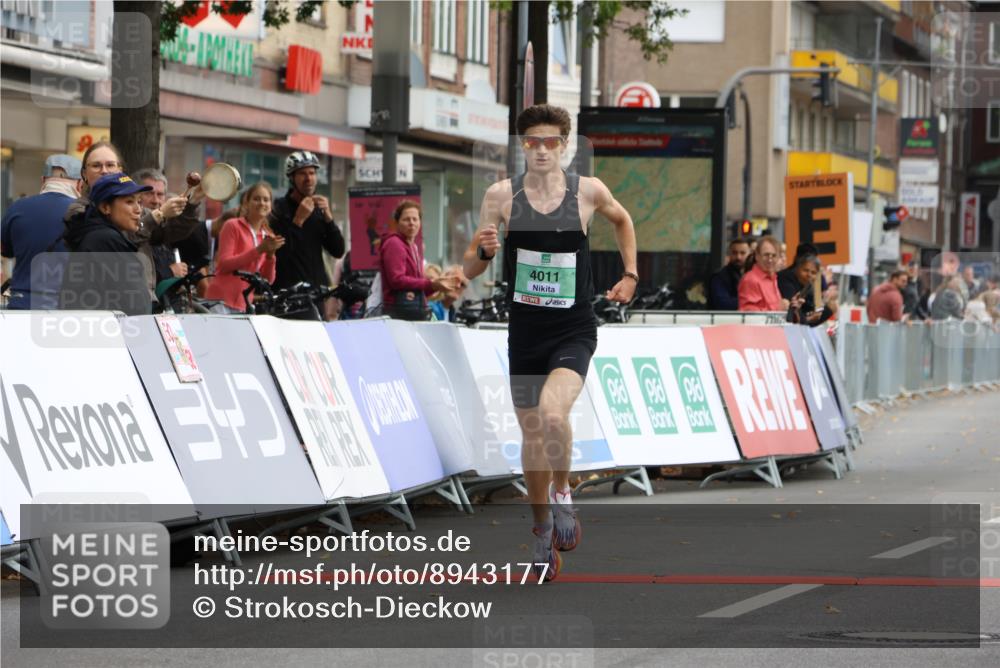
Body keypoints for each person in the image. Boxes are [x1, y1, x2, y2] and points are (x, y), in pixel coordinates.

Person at [463, 104, 638, 583]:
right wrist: (483, 250)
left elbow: (622, 221)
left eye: (550, 141)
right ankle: (541, 531)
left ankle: (563, 492)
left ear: (565, 145)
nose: (541, 150)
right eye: (532, 142)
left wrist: (630, 274)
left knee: (552, 415)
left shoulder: (588, 192)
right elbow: (471, 267)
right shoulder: (502, 196)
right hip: (525, 333)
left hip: (572, 329)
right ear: (522, 145)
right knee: (533, 436)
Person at [61, 172, 154, 314]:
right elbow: (138, 305)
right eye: (129, 202)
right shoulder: (106, 239)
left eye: (139, 202)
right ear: (105, 207)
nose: (138, 210)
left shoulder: (94, 235)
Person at [1, 154, 81, 309]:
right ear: (79, 185)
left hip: (23, 304)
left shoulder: (17, 208)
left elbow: (6, 251)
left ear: (43, 180)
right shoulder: (85, 213)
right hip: (68, 307)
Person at [270, 150, 345, 292]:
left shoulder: (318, 209)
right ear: (292, 178)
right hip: (287, 293)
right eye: (302, 173)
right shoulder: (279, 209)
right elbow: (281, 255)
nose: (308, 178)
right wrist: (298, 221)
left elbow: (338, 251)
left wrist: (329, 219)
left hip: (316, 292)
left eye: (312, 173)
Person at [206, 183, 285, 313]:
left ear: (270, 206)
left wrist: (271, 256)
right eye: (256, 198)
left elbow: (268, 280)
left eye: (266, 200)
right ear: (246, 203)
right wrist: (258, 250)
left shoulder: (268, 235)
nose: (261, 203)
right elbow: (224, 264)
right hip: (220, 300)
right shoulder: (232, 226)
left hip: (244, 303)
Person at [379, 200, 458, 321]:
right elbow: (396, 280)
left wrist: (437, 286)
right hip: (398, 312)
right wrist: (431, 284)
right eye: (406, 219)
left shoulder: (414, 247)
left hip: (411, 310)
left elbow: (416, 286)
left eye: (415, 219)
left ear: (420, 222)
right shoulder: (394, 243)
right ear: (397, 222)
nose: (411, 223)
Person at [778, 254, 837, 326]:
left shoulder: (808, 287)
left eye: (813, 273)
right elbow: (792, 318)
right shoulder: (786, 282)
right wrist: (809, 319)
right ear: (797, 269)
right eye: (805, 270)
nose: (809, 275)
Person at [738, 236, 788, 312]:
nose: (770, 260)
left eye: (774, 256)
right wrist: (778, 308)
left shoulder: (772, 277)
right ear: (757, 256)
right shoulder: (750, 280)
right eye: (766, 255)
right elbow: (749, 313)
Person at [708, 238, 750, 310]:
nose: (738, 257)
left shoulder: (752, 275)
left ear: (749, 254)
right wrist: (750, 301)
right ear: (729, 254)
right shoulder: (720, 277)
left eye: (742, 253)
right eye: (734, 253)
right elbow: (722, 303)